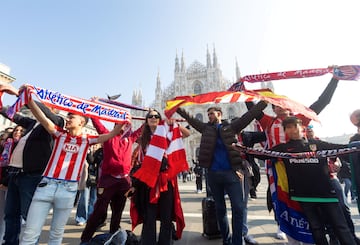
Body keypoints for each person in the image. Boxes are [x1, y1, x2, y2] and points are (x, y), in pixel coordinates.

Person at [20, 93, 124, 245]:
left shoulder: (87, 139)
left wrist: (123, 119)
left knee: (56, 235)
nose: (67, 119)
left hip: (68, 190)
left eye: (71, 116)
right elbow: (41, 117)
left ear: (82, 122)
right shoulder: (58, 133)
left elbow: (112, 134)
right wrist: (28, 99)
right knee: (30, 233)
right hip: (46, 186)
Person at [247, 75, 340, 243]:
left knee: (303, 201)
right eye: (276, 106)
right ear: (273, 109)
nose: (280, 108)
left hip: (301, 167)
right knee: (281, 198)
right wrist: (244, 88)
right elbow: (252, 109)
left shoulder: (300, 119)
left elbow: (322, 102)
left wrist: (334, 80)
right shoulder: (268, 122)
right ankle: (283, 227)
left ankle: (308, 231)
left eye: (283, 105)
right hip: (278, 167)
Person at [236, 116, 356, 245]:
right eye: (288, 128)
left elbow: (342, 149)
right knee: (316, 229)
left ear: (302, 127)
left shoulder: (318, 144)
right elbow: (264, 154)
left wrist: (356, 145)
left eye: (294, 126)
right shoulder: (283, 148)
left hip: (326, 194)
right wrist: (243, 149)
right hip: (304, 195)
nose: (292, 130)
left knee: (341, 227)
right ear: (285, 131)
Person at [176, 101, 267, 245]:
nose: (209, 116)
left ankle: (237, 241)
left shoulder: (231, 127)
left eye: (211, 113)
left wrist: (262, 103)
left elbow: (248, 117)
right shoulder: (206, 129)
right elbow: (191, 119)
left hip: (232, 173)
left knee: (238, 208)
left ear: (220, 114)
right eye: (208, 114)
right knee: (220, 209)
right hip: (213, 174)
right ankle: (227, 240)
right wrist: (177, 108)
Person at [0, 84, 65, 245]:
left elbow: (46, 114)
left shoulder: (57, 123)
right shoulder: (31, 124)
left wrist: (20, 94)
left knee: (29, 217)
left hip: (31, 176)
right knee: (10, 214)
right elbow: (10, 114)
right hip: (15, 174)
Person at [129, 109, 190, 245]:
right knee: (149, 214)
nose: (153, 118)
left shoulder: (167, 134)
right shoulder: (143, 139)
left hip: (165, 179)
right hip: (148, 180)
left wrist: (173, 125)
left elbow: (187, 134)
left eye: (156, 116)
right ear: (146, 120)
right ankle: (148, 242)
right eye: (150, 116)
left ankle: (165, 242)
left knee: (166, 214)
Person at [80, 114, 144, 243]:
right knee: (99, 210)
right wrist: (93, 106)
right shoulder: (108, 135)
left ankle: (113, 235)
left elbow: (143, 129)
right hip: (108, 180)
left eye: (128, 124)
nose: (126, 126)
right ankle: (85, 239)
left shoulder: (131, 138)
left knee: (118, 211)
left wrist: (150, 115)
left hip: (124, 181)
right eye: (123, 123)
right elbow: (97, 123)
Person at [75, 144, 101, 226]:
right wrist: (89, 152)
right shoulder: (85, 150)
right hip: (86, 176)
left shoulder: (100, 152)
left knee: (94, 199)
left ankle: (90, 217)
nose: (95, 146)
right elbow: (90, 160)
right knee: (84, 198)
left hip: (97, 177)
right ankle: (81, 217)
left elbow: (95, 161)